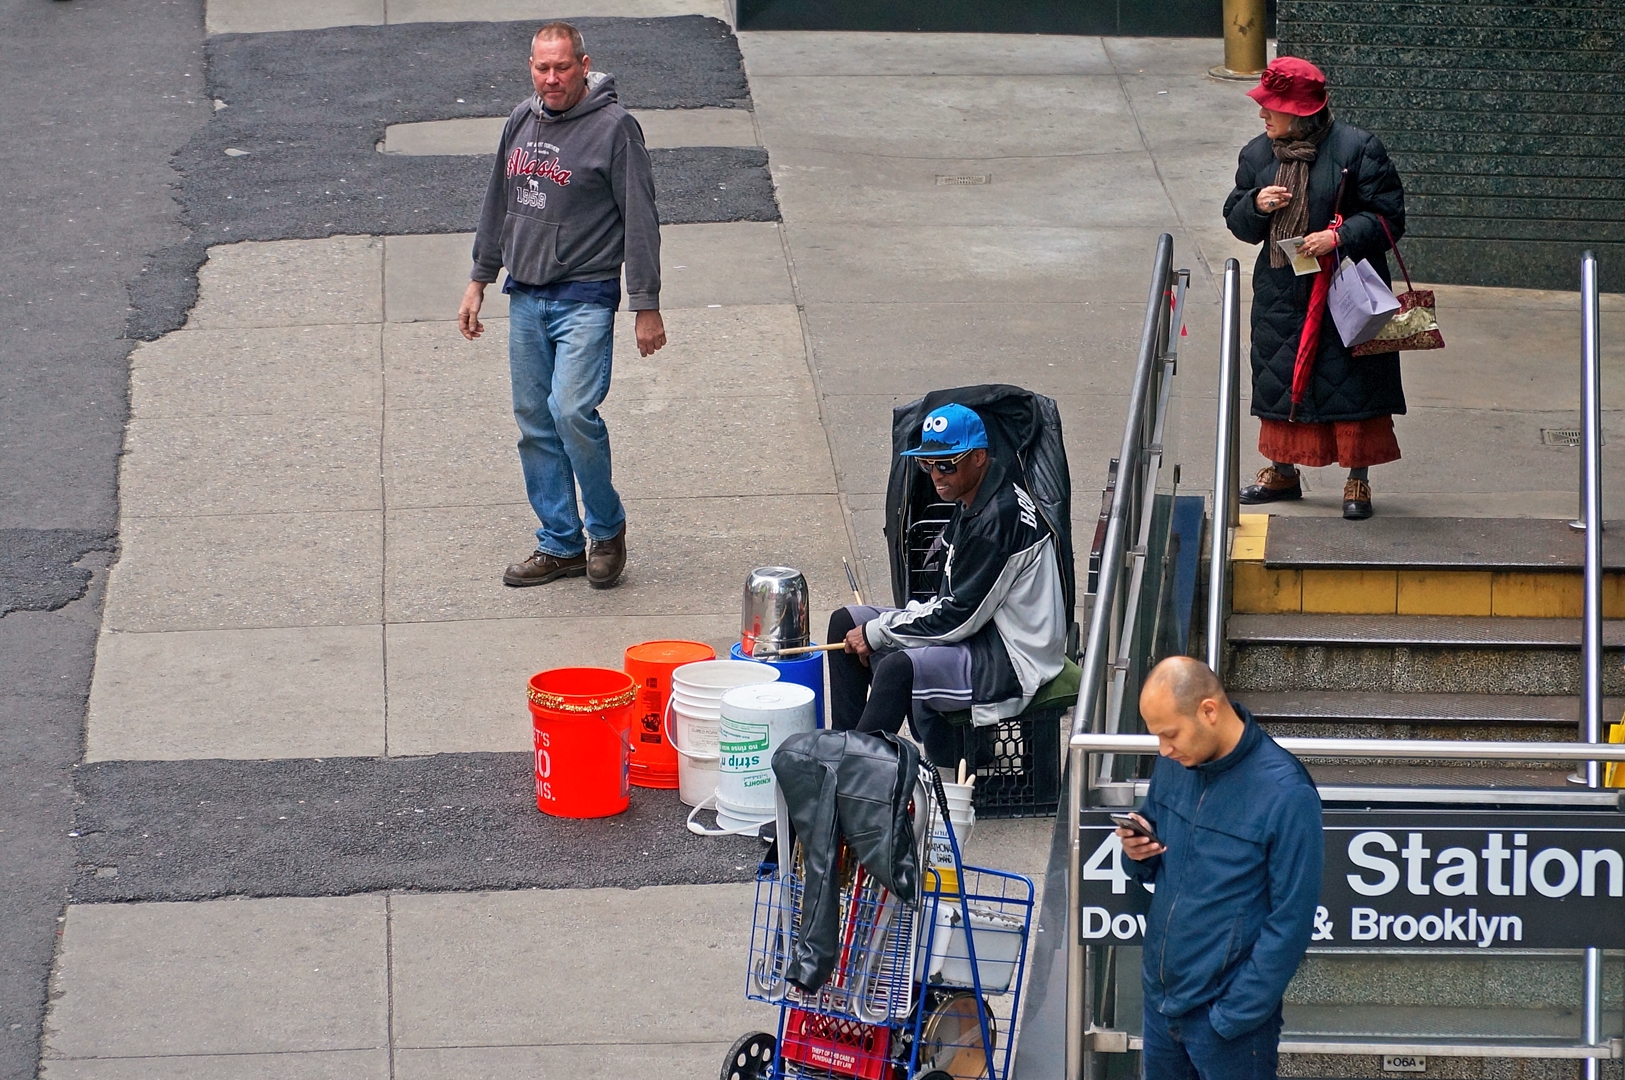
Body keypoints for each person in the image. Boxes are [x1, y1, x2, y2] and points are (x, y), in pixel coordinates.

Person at [459, 21, 666, 589]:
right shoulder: (521, 121)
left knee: (571, 411)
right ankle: (560, 544)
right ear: (531, 67)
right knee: (534, 424)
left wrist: (645, 303)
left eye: (562, 67)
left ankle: (606, 529)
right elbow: (499, 202)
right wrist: (480, 277)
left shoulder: (615, 129)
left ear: (583, 64)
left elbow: (641, 218)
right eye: (542, 68)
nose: (552, 79)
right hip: (526, 296)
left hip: (585, 297)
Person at [826, 403, 1066, 766]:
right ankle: (842, 749)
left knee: (896, 666)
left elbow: (957, 619)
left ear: (980, 457)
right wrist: (883, 629)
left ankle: (856, 780)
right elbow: (952, 601)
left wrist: (879, 632)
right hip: (982, 630)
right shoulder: (976, 494)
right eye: (927, 464)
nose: (936, 475)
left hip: (1009, 657)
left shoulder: (997, 521)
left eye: (947, 464)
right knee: (845, 622)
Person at [1117, 657, 1323, 1080]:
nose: (1163, 750)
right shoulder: (1176, 764)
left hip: (1228, 1027)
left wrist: (1232, 1016)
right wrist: (1137, 852)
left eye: (1170, 734)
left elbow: (1292, 922)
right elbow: (1155, 859)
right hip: (1163, 1005)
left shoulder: (1286, 793)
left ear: (1209, 711)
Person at [1223, 57, 1406, 520]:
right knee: (1280, 377)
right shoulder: (1257, 155)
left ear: (1301, 112)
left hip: (1345, 289)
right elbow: (1237, 220)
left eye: (1272, 108)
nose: (1263, 116)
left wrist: (1338, 236)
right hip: (1282, 291)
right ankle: (1282, 470)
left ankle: (1358, 479)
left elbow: (1388, 218)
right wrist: (1255, 204)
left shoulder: (1358, 149)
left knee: (1354, 385)